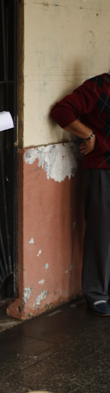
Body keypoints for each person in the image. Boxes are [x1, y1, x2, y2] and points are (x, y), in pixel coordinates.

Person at [50, 72, 110, 316]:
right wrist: (88, 134)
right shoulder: (98, 86)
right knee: (101, 234)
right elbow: (61, 111)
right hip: (103, 169)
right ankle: (96, 294)